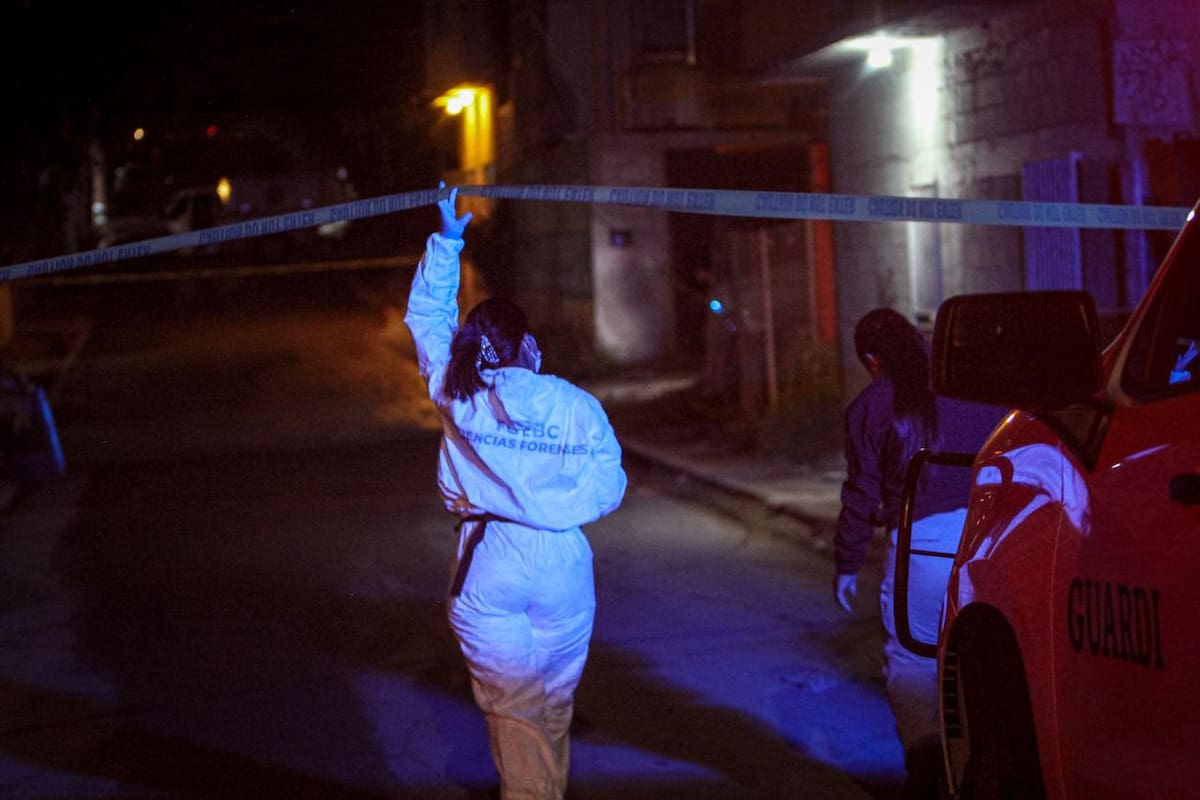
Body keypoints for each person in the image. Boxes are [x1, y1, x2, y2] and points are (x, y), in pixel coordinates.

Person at [405, 183, 627, 800]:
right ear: (526, 345)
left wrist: (448, 239)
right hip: (563, 559)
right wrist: (556, 506)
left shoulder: (457, 389)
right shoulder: (572, 403)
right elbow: (609, 484)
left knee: (517, 709)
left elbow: (427, 318)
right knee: (550, 706)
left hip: (489, 557)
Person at [831, 308, 1003, 798]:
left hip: (921, 549)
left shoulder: (870, 407)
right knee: (985, 654)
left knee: (913, 662)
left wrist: (847, 562)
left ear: (871, 359)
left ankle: (928, 775)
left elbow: (861, 493)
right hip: (989, 540)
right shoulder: (973, 391)